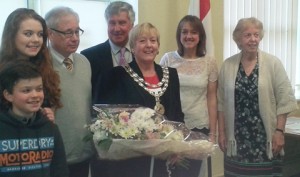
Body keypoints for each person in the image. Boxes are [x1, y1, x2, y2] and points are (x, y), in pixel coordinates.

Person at [94, 22, 184, 177]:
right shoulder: (116, 75)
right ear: (133, 47)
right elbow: (110, 119)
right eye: (142, 41)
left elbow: (177, 113)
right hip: (131, 161)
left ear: (158, 46)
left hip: (165, 157)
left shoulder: (171, 74)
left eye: (153, 40)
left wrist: (178, 145)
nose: (148, 45)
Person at [217, 17, 298, 177]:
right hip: (236, 140)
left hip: (265, 139)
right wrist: (222, 133)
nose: (253, 39)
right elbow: (221, 103)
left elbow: (285, 100)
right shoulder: (228, 65)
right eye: (247, 35)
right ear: (239, 39)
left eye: (256, 35)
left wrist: (279, 132)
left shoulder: (273, 63)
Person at [160, 15, 218, 177]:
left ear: (200, 36)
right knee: (172, 172)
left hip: (199, 128)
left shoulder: (209, 62)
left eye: (193, 32)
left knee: (191, 173)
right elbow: (160, 95)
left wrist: (213, 133)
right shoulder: (168, 59)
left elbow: (212, 99)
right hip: (172, 127)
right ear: (179, 36)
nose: (188, 36)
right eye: (184, 32)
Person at [45, 7, 93, 177]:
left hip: (84, 153)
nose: (75, 38)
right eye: (68, 33)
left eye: (77, 32)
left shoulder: (84, 62)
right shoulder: (40, 65)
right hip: (53, 157)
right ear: (50, 34)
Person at [0, 61, 68, 177]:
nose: (35, 95)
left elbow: (60, 170)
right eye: (26, 90)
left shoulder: (50, 128)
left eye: (39, 89)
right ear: (8, 95)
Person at [0, 8, 61, 122]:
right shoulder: (2, 70)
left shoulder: (45, 69)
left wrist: (48, 115)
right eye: (28, 34)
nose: (36, 40)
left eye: (40, 34)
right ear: (12, 36)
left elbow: (49, 104)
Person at [80, 1, 135, 97]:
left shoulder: (141, 54)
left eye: (122, 23)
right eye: (112, 23)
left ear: (132, 25)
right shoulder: (89, 57)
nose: (116, 29)